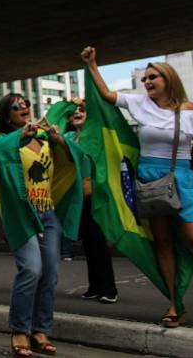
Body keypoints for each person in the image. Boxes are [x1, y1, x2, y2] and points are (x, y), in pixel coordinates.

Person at [82, 47, 193, 326]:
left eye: (153, 77)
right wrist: (92, 64)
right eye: (145, 78)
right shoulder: (140, 104)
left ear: (168, 79)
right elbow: (106, 95)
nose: (148, 82)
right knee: (162, 243)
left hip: (183, 177)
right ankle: (174, 305)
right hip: (149, 179)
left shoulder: (190, 111)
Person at [0, 93, 82, 357]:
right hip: (21, 216)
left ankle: (41, 330)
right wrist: (22, 135)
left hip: (48, 214)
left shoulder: (44, 140)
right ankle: (20, 330)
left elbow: (75, 159)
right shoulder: (4, 142)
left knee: (50, 274)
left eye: (27, 104)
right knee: (31, 269)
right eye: (17, 106)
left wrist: (59, 139)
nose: (24, 108)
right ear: (8, 115)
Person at [64, 102, 118, 303]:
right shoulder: (69, 137)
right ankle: (94, 286)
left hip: (95, 196)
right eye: (74, 112)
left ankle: (109, 289)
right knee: (87, 242)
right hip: (76, 199)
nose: (77, 113)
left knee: (98, 241)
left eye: (82, 110)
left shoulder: (96, 137)